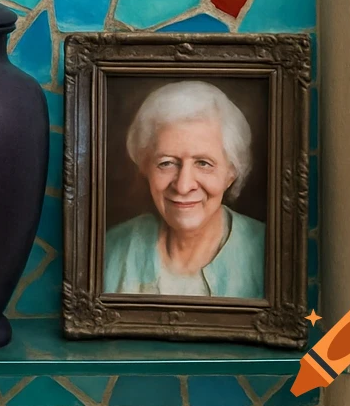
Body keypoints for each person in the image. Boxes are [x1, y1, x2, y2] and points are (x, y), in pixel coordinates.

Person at [104, 80, 265, 298]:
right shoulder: (111, 249)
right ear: (145, 167)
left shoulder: (268, 251)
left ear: (231, 173)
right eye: (166, 163)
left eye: (203, 163)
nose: (183, 185)